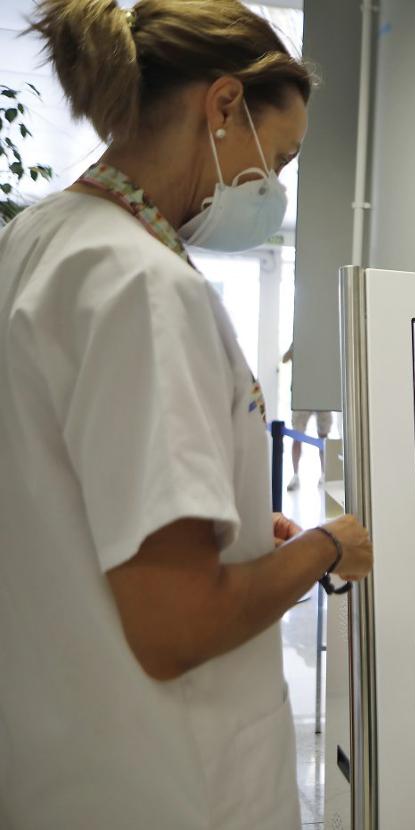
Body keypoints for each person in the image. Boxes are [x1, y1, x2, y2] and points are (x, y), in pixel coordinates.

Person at [0, 2, 373, 828]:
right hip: (167, 779)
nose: (274, 187)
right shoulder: (145, 285)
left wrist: (231, 529)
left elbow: (63, 493)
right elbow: (176, 626)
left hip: (58, 757)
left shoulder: (38, 237)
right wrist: (325, 548)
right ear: (224, 105)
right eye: (279, 158)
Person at [282, 344, 334, 489]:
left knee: (323, 437)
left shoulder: (324, 344)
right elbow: (284, 359)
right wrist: (294, 347)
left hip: (322, 394)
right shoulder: (298, 342)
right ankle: (295, 475)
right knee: (297, 436)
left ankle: (324, 474)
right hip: (302, 395)